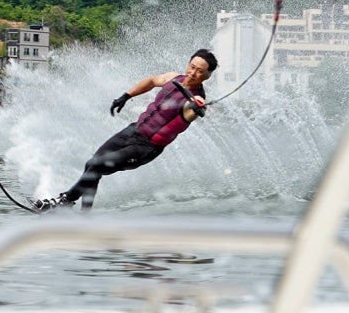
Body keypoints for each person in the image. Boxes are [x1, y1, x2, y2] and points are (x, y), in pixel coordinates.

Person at [33, 49, 218, 212]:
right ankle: (84, 216)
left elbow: (191, 111)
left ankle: (64, 201)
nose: (192, 73)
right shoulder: (173, 78)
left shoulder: (194, 100)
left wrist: (197, 108)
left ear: (207, 76)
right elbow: (152, 81)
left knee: (98, 166)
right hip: (134, 130)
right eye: (192, 66)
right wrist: (126, 96)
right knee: (92, 164)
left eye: (199, 71)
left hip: (146, 148)